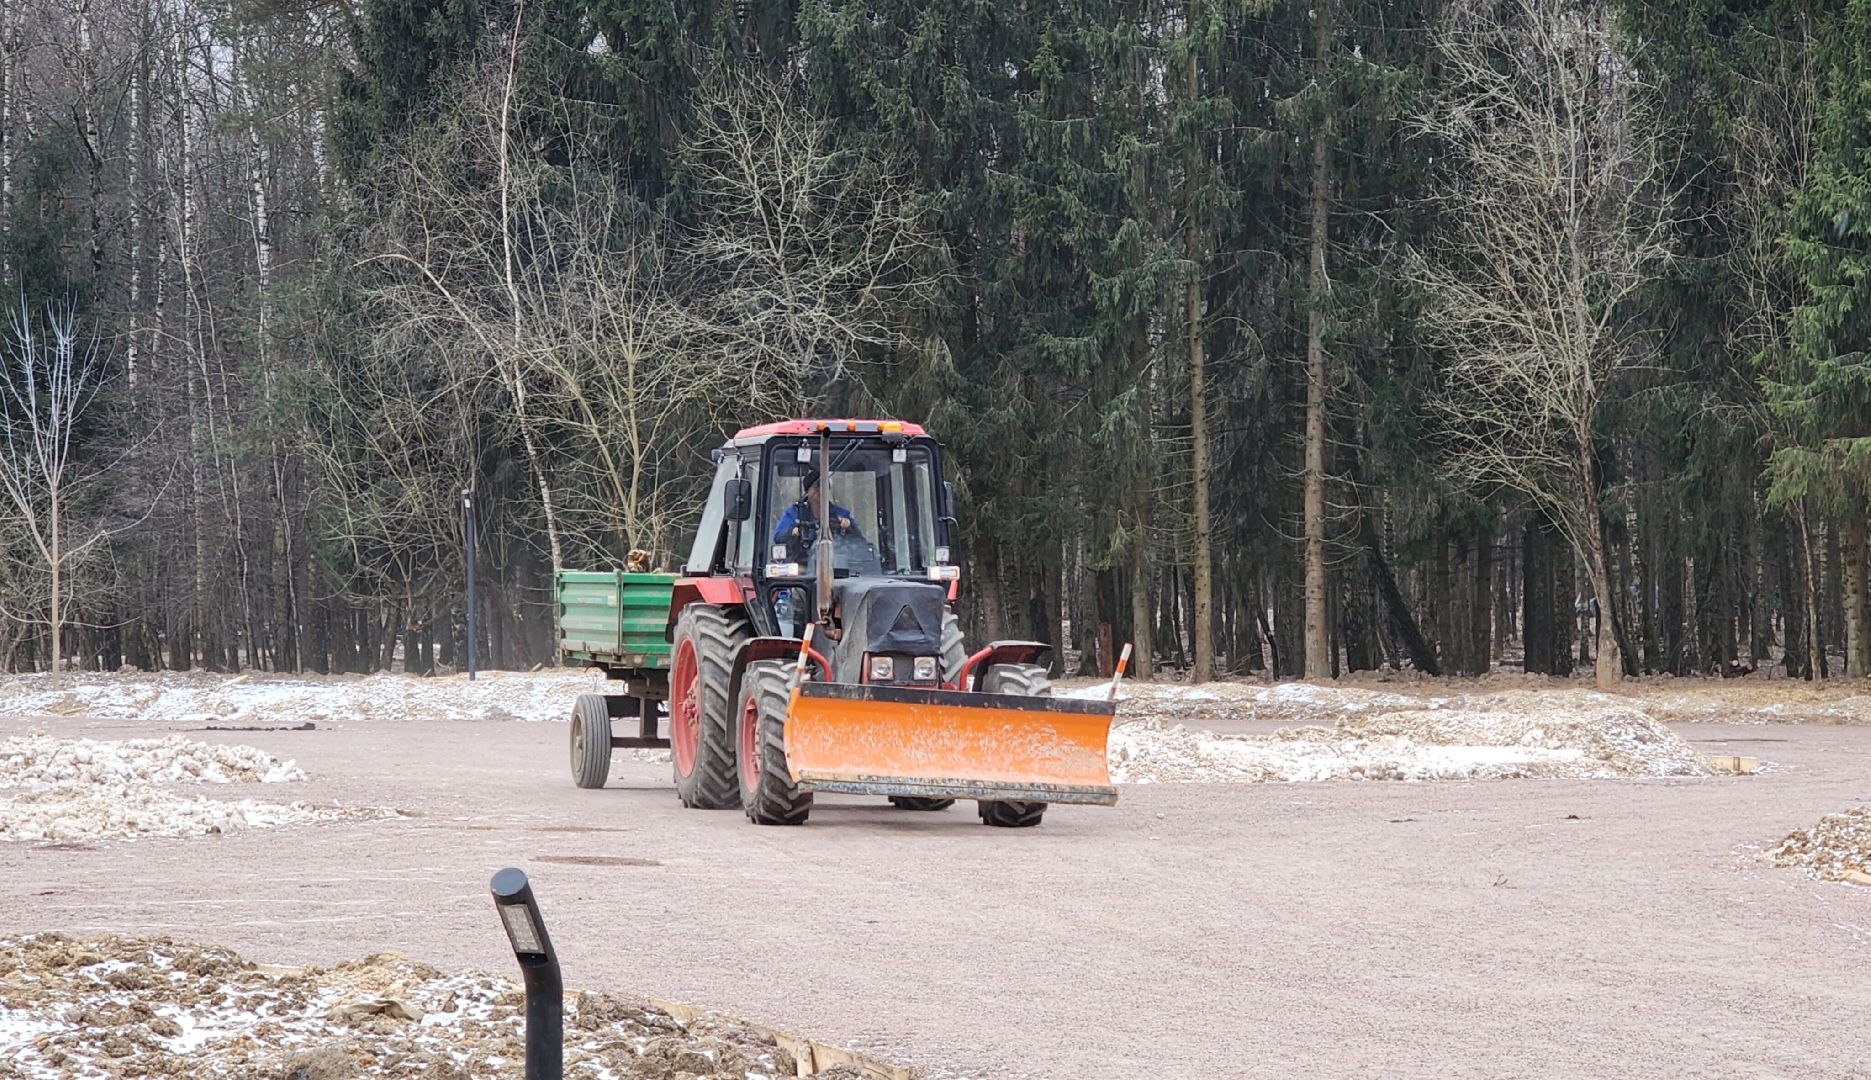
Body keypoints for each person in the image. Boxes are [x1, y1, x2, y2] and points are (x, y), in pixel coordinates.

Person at [772, 470, 856, 551]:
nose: (821, 490)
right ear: (807, 492)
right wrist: (792, 532)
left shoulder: (840, 514)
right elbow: (778, 537)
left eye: (825, 486)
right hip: (801, 561)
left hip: (836, 560)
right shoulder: (795, 513)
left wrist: (848, 527)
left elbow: (859, 540)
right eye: (817, 487)